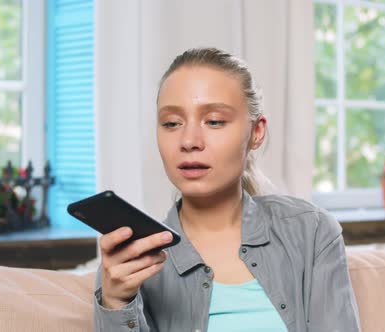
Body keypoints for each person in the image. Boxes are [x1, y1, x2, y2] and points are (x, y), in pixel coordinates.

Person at [94, 47, 360, 331]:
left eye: (214, 121)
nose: (189, 141)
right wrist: (116, 304)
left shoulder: (312, 231)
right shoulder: (126, 265)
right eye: (171, 123)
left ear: (256, 132)